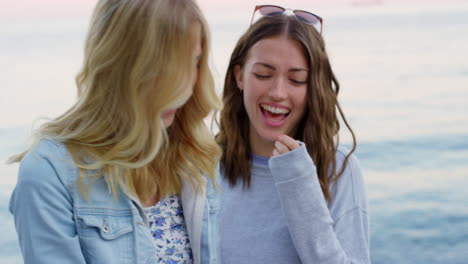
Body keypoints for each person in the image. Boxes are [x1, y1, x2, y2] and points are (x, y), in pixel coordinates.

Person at [8, 0, 221, 263]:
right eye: (165, 68)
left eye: (194, 63)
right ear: (117, 64)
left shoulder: (193, 155)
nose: (184, 86)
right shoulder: (49, 174)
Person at [216, 5, 370, 264]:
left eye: (296, 80)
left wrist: (299, 184)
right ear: (239, 76)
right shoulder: (202, 165)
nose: (277, 92)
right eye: (263, 74)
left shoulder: (340, 171)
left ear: (314, 89)